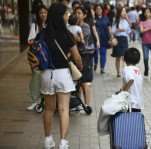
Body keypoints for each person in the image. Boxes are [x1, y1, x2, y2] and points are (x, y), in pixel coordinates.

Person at [36, 3, 83, 149]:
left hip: (46, 74)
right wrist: (79, 66)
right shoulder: (65, 33)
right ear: (59, 16)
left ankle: (48, 140)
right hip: (62, 74)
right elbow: (77, 57)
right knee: (63, 108)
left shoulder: (42, 34)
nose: (67, 16)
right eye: (65, 14)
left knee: (49, 109)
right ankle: (63, 142)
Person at [27, 4, 48, 111]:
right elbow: (30, 40)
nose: (43, 14)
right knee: (36, 78)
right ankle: (37, 102)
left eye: (45, 12)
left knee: (46, 79)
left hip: (47, 56)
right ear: (38, 15)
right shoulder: (35, 26)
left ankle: (46, 102)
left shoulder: (50, 25)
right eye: (41, 13)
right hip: (37, 56)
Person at [74, 6, 91, 109]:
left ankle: (87, 104)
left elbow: (80, 39)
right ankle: (78, 104)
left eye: (79, 13)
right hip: (75, 55)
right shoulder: (73, 26)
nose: (77, 15)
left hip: (84, 56)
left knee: (84, 80)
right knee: (78, 81)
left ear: (84, 15)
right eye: (76, 13)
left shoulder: (85, 27)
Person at [120, 47, 143, 112]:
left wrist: (124, 90)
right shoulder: (137, 70)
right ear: (138, 61)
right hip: (138, 102)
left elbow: (131, 80)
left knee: (127, 120)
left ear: (124, 59)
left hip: (130, 102)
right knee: (135, 120)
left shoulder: (126, 70)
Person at [111, 6, 132, 77]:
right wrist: (119, 29)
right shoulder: (115, 21)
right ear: (119, 12)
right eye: (123, 11)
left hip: (124, 40)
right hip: (118, 39)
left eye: (125, 11)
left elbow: (128, 31)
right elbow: (112, 31)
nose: (124, 13)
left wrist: (132, 31)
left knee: (125, 57)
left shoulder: (126, 22)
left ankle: (124, 72)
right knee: (118, 58)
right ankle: (118, 72)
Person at [94, 4, 113, 74]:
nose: (98, 10)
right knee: (95, 53)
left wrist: (111, 36)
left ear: (102, 10)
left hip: (104, 38)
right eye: (97, 9)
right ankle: (95, 64)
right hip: (95, 39)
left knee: (103, 53)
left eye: (100, 9)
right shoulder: (93, 19)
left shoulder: (106, 18)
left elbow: (109, 28)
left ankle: (102, 68)